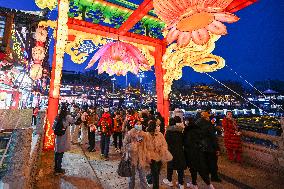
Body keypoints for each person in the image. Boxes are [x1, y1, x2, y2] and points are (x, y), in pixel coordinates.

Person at [184, 117, 213, 189]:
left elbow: (186, 143)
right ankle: (209, 185)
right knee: (201, 169)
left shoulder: (187, 131)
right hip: (199, 152)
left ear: (188, 122)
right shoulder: (199, 130)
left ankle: (194, 184)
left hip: (191, 153)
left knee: (193, 169)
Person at [146, 120, 172, 189]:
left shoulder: (159, 134)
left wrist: (161, 149)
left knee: (157, 172)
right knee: (155, 174)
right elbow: (144, 148)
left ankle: (149, 179)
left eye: (153, 130)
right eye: (150, 131)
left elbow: (165, 144)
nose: (152, 132)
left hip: (160, 156)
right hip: (151, 157)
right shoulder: (146, 135)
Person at [123, 120, 149, 189]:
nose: (139, 125)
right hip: (132, 158)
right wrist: (135, 144)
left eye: (140, 124)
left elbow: (146, 146)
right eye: (137, 124)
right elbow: (125, 145)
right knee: (132, 178)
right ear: (134, 125)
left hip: (141, 157)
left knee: (143, 176)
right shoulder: (129, 134)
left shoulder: (144, 134)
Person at [195, 111, 218, 189]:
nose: (209, 118)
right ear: (206, 117)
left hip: (200, 146)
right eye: (208, 116)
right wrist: (217, 148)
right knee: (212, 162)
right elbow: (213, 137)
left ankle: (205, 176)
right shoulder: (208, 125)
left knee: (203, 162)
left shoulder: (197, 123)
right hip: (209, 146)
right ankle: (213, 177)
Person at [163, 116, 186, 189]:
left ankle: (169, 180)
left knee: (170, 166)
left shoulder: (168, 132)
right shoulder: (180, 131)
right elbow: (183, 142)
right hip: (179, 151)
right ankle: (181, 183)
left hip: (171, 151)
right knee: (180, 167)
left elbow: (166, 142)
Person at [53, 105, 74, 175]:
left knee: (57, 153)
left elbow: (53, 127)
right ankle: (59, 169)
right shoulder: (67, 117)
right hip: (64, 137)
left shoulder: (57, 117)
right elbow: (74, 121)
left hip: (58, 137)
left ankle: (56, 168)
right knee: (61, 154)